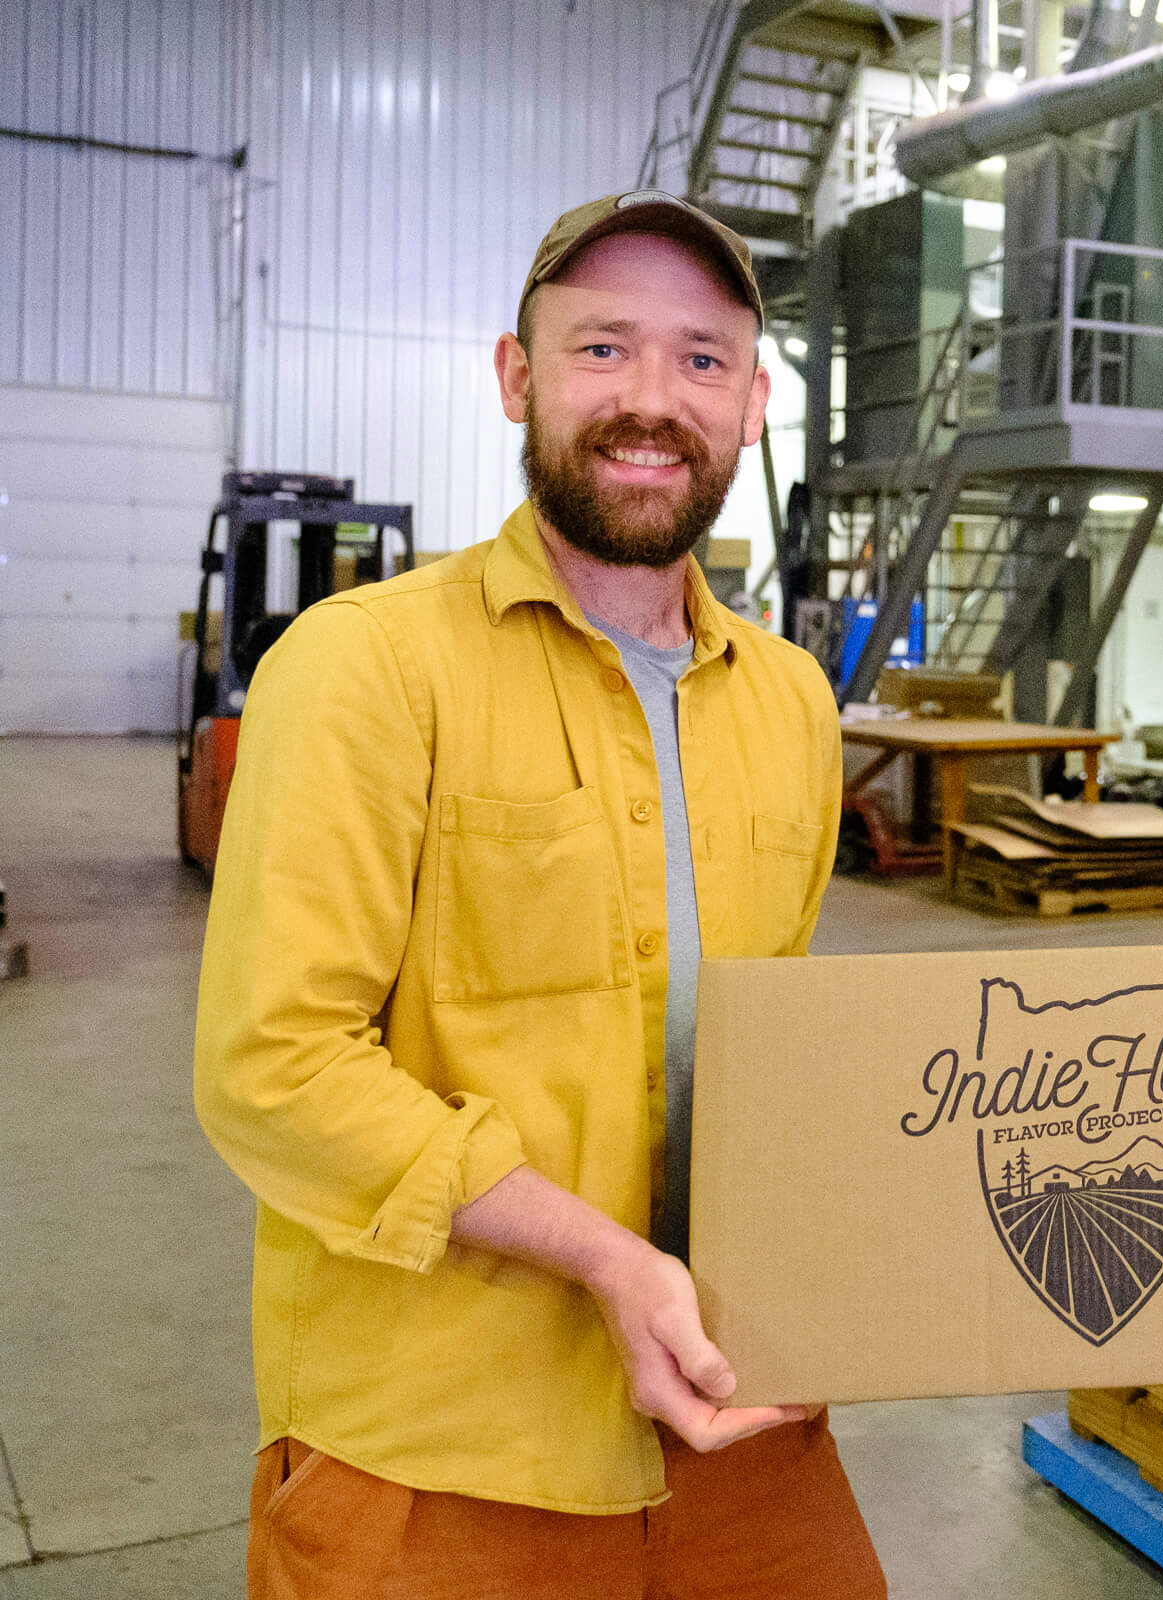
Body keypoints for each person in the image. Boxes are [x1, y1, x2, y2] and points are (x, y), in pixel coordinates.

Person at [194, 192, 883, 1598]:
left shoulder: (797, 705)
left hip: (738, 1412)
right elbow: (273, 1067)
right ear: (517, 378)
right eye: (601, 350)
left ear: (754, 403)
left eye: (701, 361)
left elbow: (778, 1061)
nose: (651, 402)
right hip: (441, 1446)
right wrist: (612, 1264)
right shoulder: (365, 666)